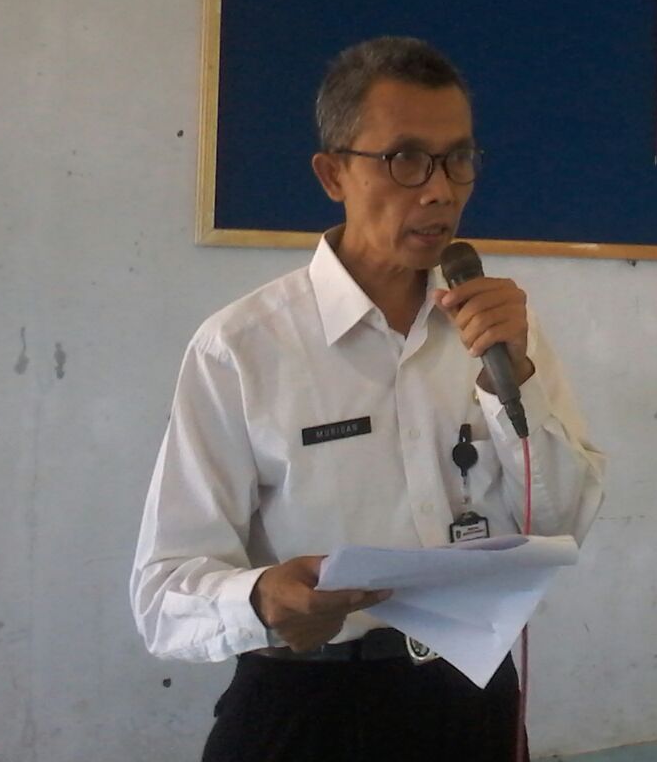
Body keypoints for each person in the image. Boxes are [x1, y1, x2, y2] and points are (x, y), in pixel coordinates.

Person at [130, 37, 606, 761]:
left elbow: (562, 523)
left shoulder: (503, 332)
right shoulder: (241, 348)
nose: (440, 190)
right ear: (332, 174)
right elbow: (163, 595)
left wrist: (512, 383)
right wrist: (262, 600)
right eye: (406, 159)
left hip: (469, 697)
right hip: (306, 704)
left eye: (458, 159)